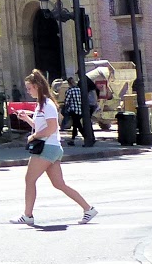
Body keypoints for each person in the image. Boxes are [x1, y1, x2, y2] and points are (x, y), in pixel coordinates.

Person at [10, 68, 96, 226]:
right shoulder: (42, 105)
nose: (28, 91)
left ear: (37, 86)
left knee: (29, 179)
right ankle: (88, 209)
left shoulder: (47, 105)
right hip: (53, 148)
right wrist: (27, 118)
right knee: (59, 184)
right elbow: (41, 126)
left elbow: (51, 128)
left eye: (29, 88)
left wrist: (33, 136)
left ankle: (28, 215)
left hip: (47, 147)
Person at [62, 71, 87, 145]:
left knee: (78, 125)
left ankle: (86, 138)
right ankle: (72, 140)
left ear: (69, 83)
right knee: (76, 125)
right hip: (79, 110)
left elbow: (66, 102)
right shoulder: (79, 89)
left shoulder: (69, 91)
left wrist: (64, 109)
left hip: (73, 110)